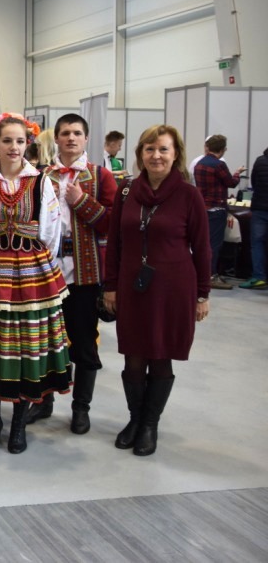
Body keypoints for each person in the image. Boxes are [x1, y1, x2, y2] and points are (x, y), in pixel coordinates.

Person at [0, 113, 71, 454]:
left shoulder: (41, 182)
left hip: (30, 273)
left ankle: (19, 423)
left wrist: (39, 264)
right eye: (7, 140)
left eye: (20, 141)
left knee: (27, 345)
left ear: (28, 144)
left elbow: (50, 231)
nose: (13, 147)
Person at [103, 125, 210, 456]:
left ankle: (150, 425)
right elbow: (115, 242)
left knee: (161, 356)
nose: (156, 156)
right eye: (149, 149)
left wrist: (203, 295)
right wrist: (110, 286)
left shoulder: (189, 195)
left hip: (173, 289)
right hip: (132, 286)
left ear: (175, 154)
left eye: (163, 149)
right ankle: (135, 420)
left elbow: (202, 248)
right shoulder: (126, 191)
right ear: (140, 154)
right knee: (133, 357)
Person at [28, 114, 117, 434]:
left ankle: (81, 408)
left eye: (77, 133)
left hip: (84, 274)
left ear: (86, 138)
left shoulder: (100, 176)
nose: (70, 138)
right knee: (44, 342)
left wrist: (81, 202)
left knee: (84, 344)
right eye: (65, 133)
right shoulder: (41, 176)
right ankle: (43, 402)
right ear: (57, 139)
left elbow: (111, 224)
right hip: (47, 274)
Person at [193, 135, 246, 289]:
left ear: (208, 147)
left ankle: (200, 273)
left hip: (202, 208)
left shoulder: (199, 164)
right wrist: (237, 173)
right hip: (217, 208)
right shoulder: (219, 165)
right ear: (223, 149)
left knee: (203, 243)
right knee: (214, 244)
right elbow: (231, 183)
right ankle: (211, 275)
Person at [239, 146, 268, 289]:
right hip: (260, 208)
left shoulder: (260, 161)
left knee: (257, 243)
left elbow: (254, 183)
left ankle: (259, 277)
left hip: (260, 208)